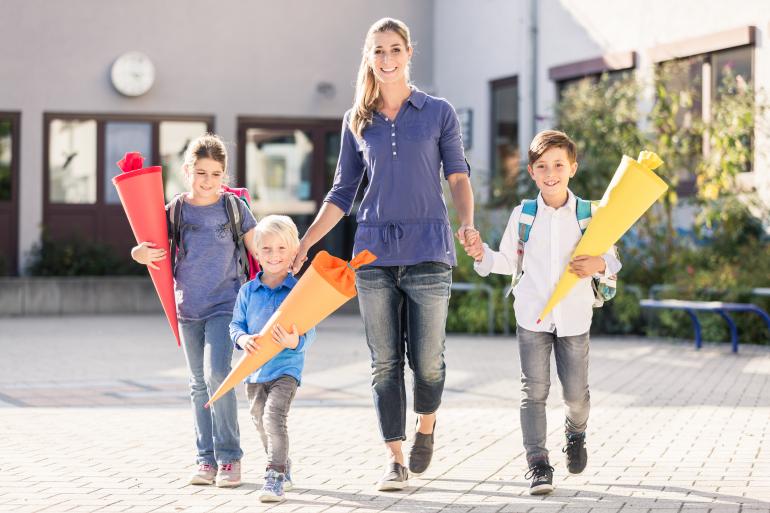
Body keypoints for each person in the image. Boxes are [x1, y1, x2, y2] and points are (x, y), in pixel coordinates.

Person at [290, 17, 475, 491]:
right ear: (368, 56)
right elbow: (341, 192)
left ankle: (426, 427)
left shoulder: (438, 112)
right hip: (372, 253)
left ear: (409, 52)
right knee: (384, 361)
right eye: (378, 51)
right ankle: (394, 457)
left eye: (395, 49)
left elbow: (456, 175)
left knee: (428, 361)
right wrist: (306, 242)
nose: (387, 59)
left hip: (429, 250)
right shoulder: (358, 120)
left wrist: (467, 224)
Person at [464, 129, 621, 495]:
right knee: (533, 391)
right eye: (542, 166)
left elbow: (612, 258)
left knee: (576, 396)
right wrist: (481, 254)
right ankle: (537, 464)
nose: (551, 173)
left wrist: (599, 262)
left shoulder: (589, 213)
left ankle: (576, 432)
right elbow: (506, 260)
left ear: (572, 168)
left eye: (558, 165)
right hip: (532, 316)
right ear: (532, 172)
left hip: (574, 317)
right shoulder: (524, 215)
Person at [131, 134, 257, 487]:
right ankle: (206, 460)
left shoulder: (233, 208)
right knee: (198, 384)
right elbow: (149, 245)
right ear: (188, 171)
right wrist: (137, 254)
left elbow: (258, 247)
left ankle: (230, 457)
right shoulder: (176, 210)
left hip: (225, 304)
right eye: (201, 172)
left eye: (215, 174)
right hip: (188, 306)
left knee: (219, 374)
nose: (207, 180)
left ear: (224, 175)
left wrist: (286, 259)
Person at [229, 215, 316, 503]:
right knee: (259, 421)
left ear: (293, 252)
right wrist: (242, 339)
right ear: (256, 252)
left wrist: (295, 341)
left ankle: (274, 475)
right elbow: (236, 326)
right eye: (266, 249)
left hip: (286, 369)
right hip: (254, 370)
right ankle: (283, 463)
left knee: (273, 418)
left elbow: (310, 332)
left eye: (281, 249)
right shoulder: (247, 292)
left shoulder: (299, 291)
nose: (274, 255)